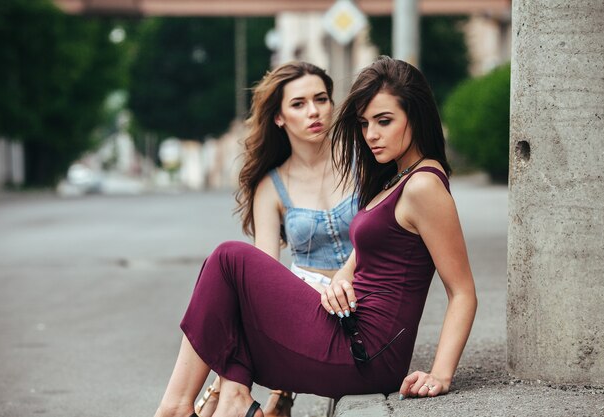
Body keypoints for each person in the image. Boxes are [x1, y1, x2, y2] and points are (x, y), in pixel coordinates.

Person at [153, 56, 477, 417]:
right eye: (365, 123)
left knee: (229, 259)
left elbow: (462, 291)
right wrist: (340, 279)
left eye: (384, 121)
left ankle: (183, 407)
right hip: (349, 327)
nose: (371, 135)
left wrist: (441, 374)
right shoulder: (396, 178)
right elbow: (368, 252)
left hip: (366, 351)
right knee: (229, 282)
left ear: (414, 116)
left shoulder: (424, 186)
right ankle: (227, 402)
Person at [193, 62, 357, 417]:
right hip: (308, 305)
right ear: (279, 118)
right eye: (298, 104)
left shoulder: (363, 161)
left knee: (227, 269)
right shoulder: (270, 186)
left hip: (364, 295)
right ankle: (232, 397)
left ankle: (219, 398)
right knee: (234, 281)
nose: (314, 111)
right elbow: (262, 274)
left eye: (321, 99)